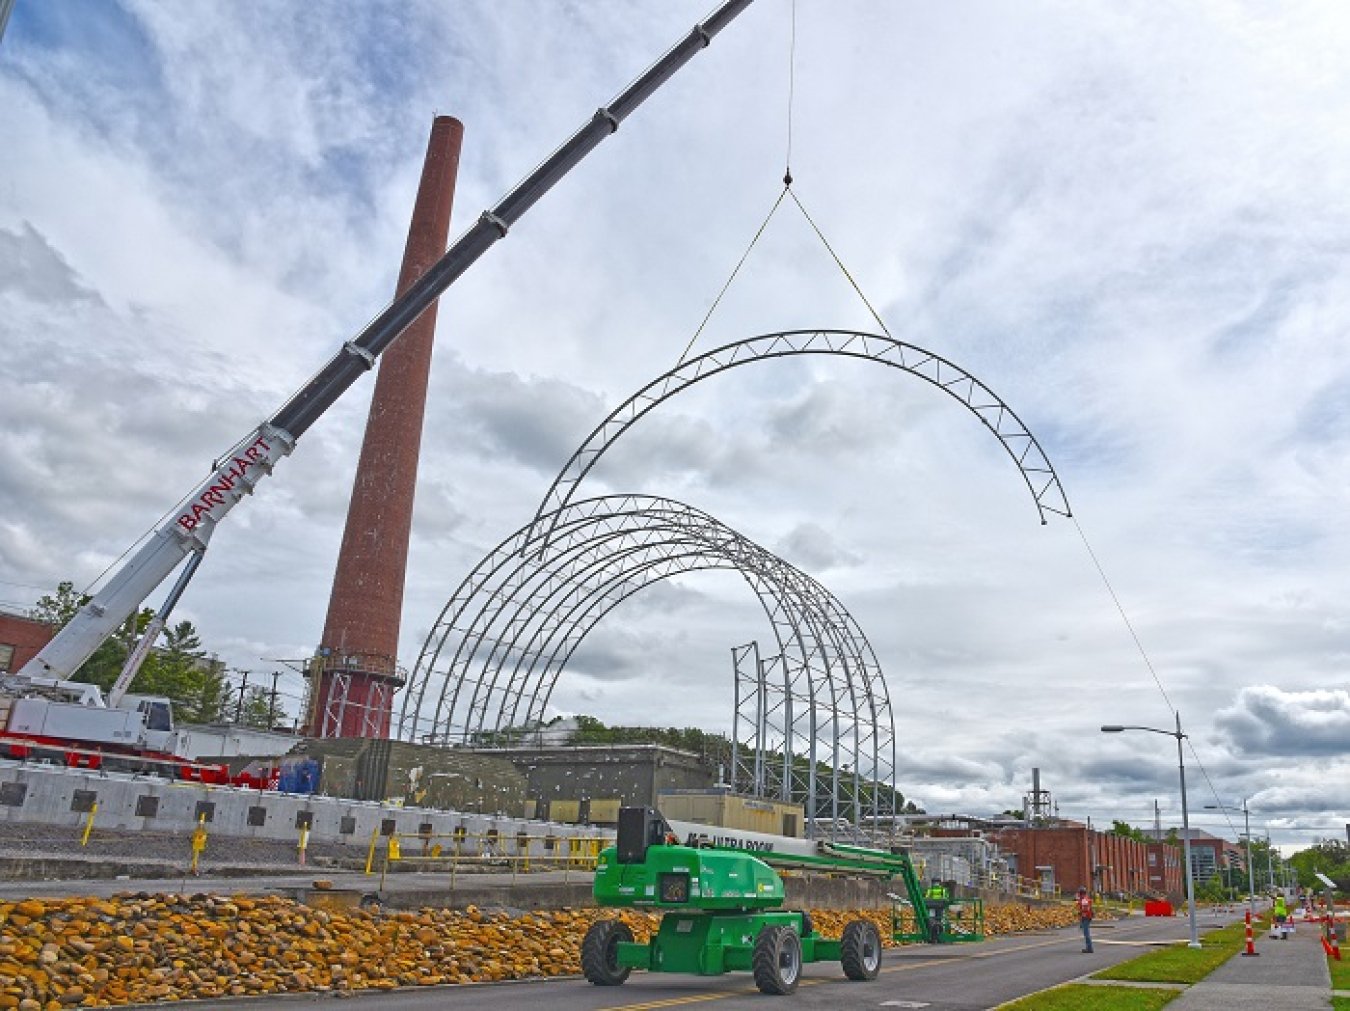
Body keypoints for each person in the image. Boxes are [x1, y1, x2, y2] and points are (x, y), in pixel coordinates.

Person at [924, 878, 949, 943]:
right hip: (936, 906)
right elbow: (927, 897)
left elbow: (926, 898)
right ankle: (937, 936)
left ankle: (937, 936)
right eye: (935, 882)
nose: (936, 884)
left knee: (936, 920)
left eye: (936, 882)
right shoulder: (938, 889)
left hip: (937, 907)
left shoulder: (940, 889)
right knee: (936, 921)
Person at [1076, 886, 1094, 952]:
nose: (1078, 895)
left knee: (1086, 933)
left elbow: (1085, 908)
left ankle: (1089, 948)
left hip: (1086, 917)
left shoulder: (1084, 900)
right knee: (1085, 932)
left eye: (1079, 894)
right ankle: (1089, 947)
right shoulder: (1085, 899)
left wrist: (1079, 912)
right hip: (1086, 917)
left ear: (1081, 893)